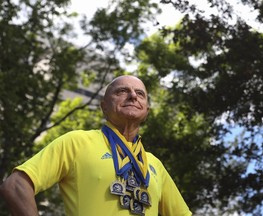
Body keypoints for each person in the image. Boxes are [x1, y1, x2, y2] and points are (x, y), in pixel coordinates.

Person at [0, 75, 192, 216]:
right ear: (104, 106)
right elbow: (16, 185)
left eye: (140, 93)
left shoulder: (154, 164)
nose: (133, 95)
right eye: (122, 91)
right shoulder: (77, 142)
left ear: (146, 110)